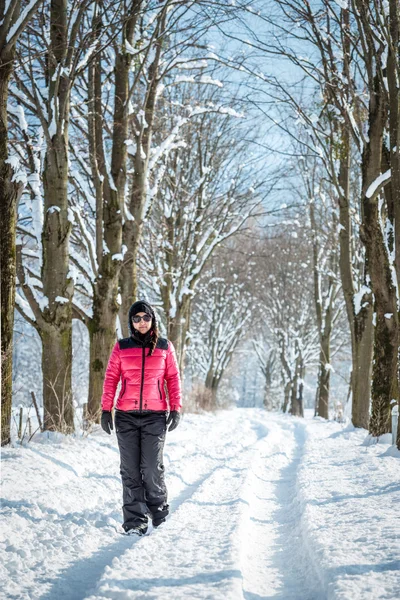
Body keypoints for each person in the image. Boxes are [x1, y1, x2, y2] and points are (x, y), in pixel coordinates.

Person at [100, 300, 182, 536]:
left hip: (155, 416)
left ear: (152, 319)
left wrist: (175, 408)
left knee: (151, 467)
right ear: (131, 322)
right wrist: (106, 409)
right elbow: (111, 379)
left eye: (145, 318)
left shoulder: (165, 347)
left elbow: (173, 379)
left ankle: (158, 511)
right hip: (126, 416)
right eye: (136, 318)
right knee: (130, 470)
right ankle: (135, 520)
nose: (142, 322)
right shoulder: (121, 347)